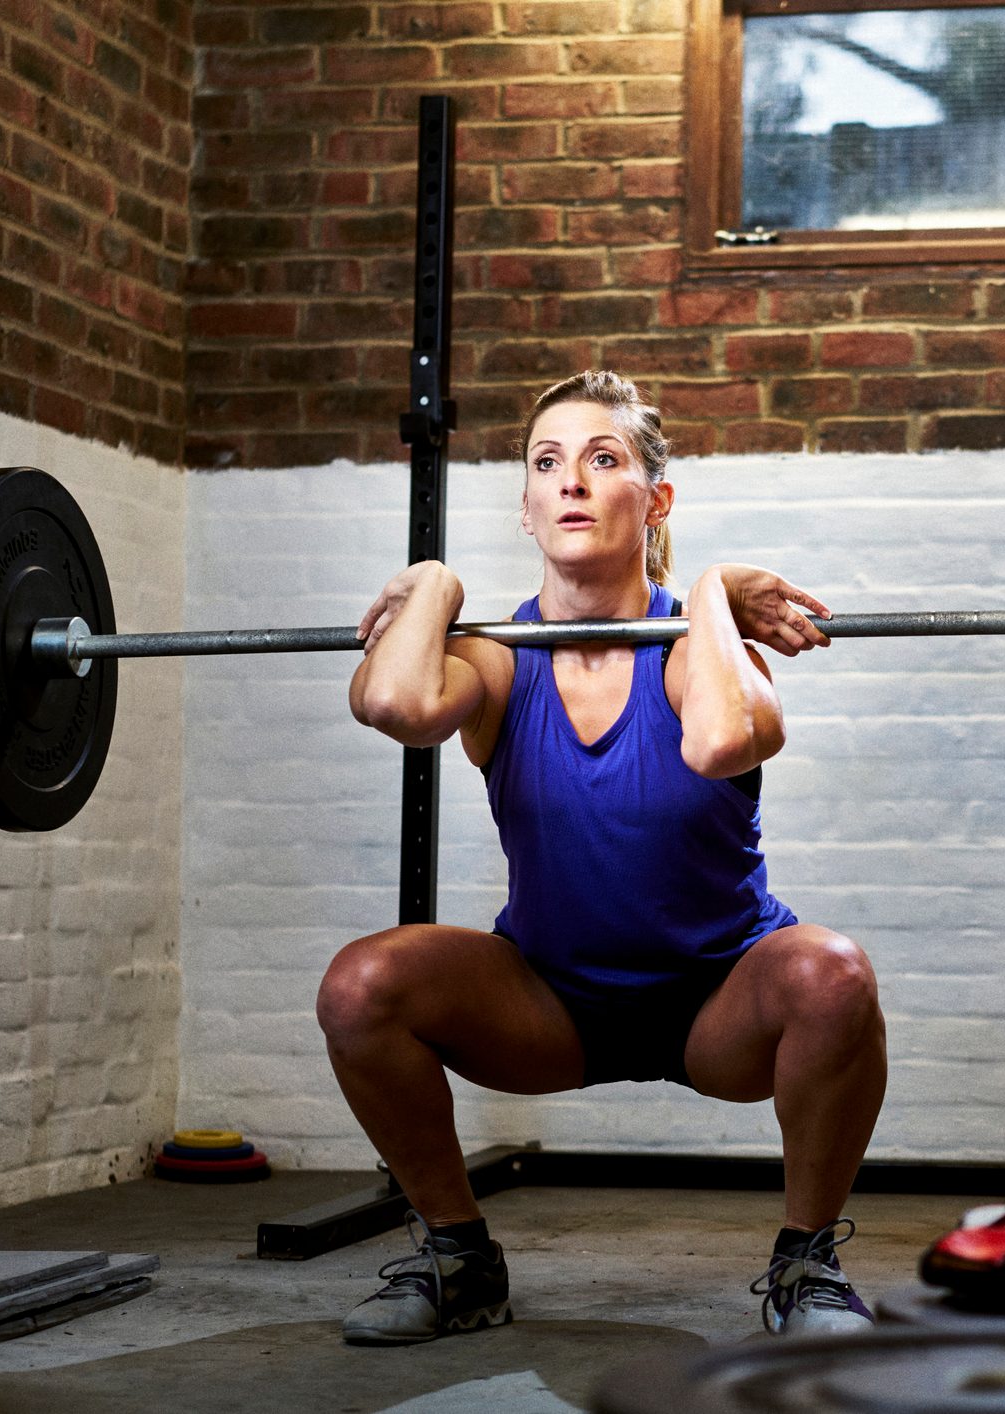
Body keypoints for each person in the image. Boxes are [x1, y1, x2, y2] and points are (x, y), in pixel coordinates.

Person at [319, 370, 889, 1345]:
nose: (571, 481)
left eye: (602, 458)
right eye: (547, 464)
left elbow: (716, 742)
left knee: (833, 976)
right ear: (528, 508)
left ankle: (806, 1267)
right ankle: (459, 1260)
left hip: (718, 1003)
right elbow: (393, 705)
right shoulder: (496, 657)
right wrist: (435, 584)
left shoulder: (697, 648)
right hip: (548, 1003)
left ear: (652, 499)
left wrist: (706, 588)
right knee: (360, 985)